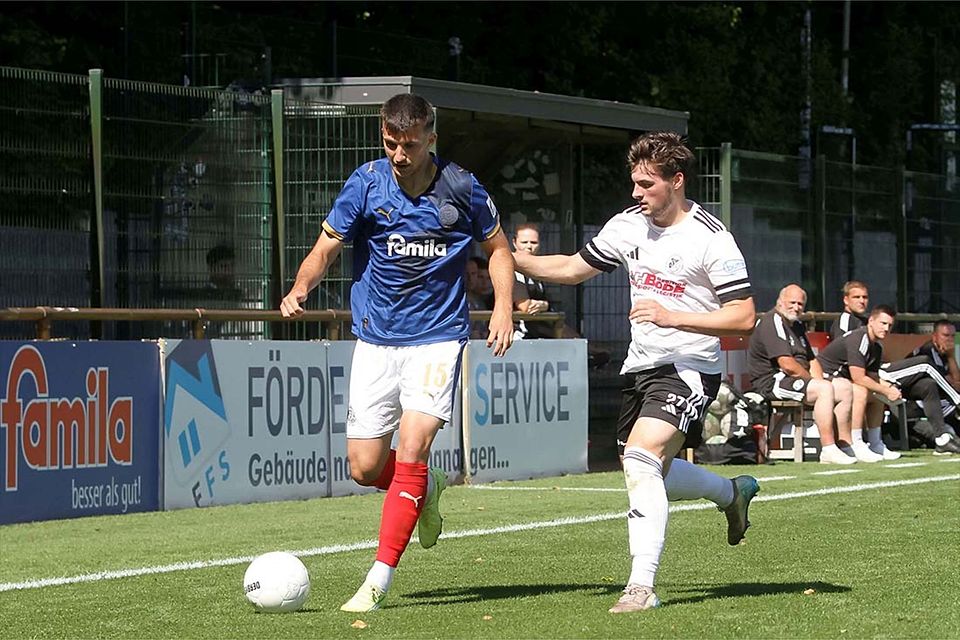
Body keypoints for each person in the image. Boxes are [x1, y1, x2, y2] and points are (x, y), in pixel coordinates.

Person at [280, 93, 515, 613]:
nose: (399, 154)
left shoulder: (462, 186)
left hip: (436, 337)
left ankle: (377, 581)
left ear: (431, 138)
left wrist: (503, 308)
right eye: (391, 143)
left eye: (409, 144)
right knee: (365, 469)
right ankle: (424, 490)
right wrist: (300, 289)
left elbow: (499, 249)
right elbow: (325, 250)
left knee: (411, 448)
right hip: (375, 338)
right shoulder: (365, 183)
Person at [514, 131, 759, 613]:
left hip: (689, 367)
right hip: (640, 367)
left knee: (642, 457)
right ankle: (731, 493)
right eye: (635, 182)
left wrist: (673, 316)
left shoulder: (711, 238)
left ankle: (641, 586)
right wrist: (511, 258)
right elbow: (571, 266)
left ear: (677, 180)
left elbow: (744, 317)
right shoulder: (628, 225)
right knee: (650, 468)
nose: (636, 193)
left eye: (647, 184)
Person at [747, 284, 859, 463]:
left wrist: (820, 379)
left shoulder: (797, 324)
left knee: (844, 387)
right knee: (824, 389)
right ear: (780, 301)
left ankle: (846, 445)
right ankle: (828, 449)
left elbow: (811, 359)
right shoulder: (772, 321)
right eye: (792, 302)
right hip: (772, 382)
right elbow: (787, 365)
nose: (796, 307)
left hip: (796, 378)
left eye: (800, 304)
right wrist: (817, 383)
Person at [816, 305, 908, 461]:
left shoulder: (877, 346)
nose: (886, 328)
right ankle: (856, 443)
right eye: (883, 323)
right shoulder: (859, 338)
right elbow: (859, 378)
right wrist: (886, 390)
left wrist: (888, 388)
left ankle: (875, 443)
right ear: (871, 321)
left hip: (844, 382)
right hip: (825, 378)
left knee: (877, 395)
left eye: (890, 325)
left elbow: (872, 377)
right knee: (860, 391)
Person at [880, 320, 960, 451]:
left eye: (952, 336)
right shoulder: (927, 351)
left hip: (929, 405)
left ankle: (941, 439)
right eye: (946, 336)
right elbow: (949, 387)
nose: (950, 340)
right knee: (927, 366)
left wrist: (951, 357)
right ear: (934, 336)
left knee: (930, 386)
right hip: (911, 409)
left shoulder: (945, 353)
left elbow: (955, 384)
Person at [511, 223, 554, 339]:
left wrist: (544, 305)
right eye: (524, 242)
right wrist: (544, 305)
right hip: (518, 336)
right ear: (514, 242)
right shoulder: (512, 269)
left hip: (538, 331)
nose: (529, 247)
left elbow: (546, 304)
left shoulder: (537, 272)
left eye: (534, 242)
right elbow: (525, 306)